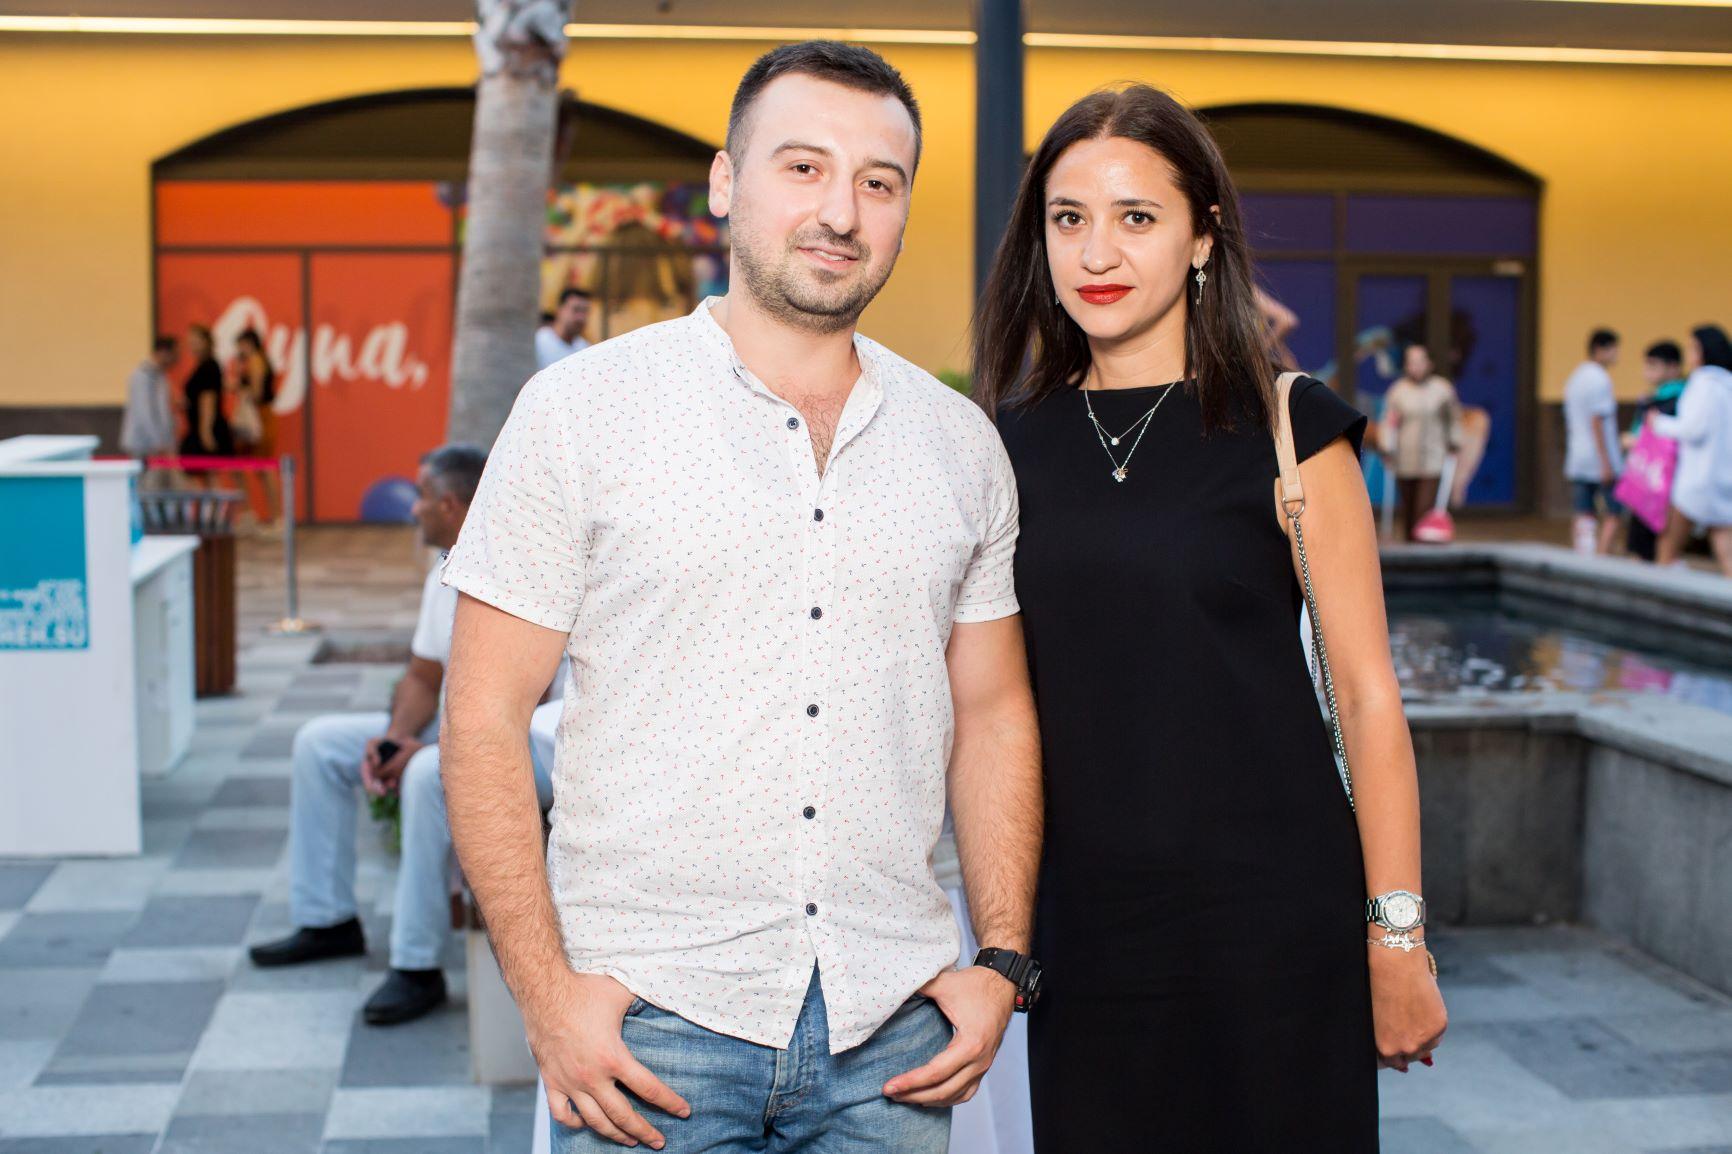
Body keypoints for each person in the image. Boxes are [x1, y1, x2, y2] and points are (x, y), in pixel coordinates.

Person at [438, 41, 1041, 1154]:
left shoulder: (960, 446)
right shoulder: (581, 411)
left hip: (890, 1030)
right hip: (650, 1028)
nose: (841, 212)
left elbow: (994, 711)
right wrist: (544, 995)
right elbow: (480, 716)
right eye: (802, 167)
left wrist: (1001, 957)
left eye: (878, 182)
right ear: (725, 182)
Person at [973, 84, 1447, 1152]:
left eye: (1136, 216)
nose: (1097, 251)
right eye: (1068, 218)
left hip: (1275, 926)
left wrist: (1396, 935)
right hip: (1088, 934)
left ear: (1201, 237)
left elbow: (1368, 695)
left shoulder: (1288, 424)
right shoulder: (1003, 444)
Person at [247, 444, 561, 1027]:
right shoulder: (446, 568)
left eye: (421, 496)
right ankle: (327, 921)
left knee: (424, 775)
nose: (412, 508)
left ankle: (417, 967)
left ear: (451, 504)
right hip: (456, 729)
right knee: (319, 743)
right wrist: (393, 736)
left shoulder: (521, 568)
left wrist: (430, 750)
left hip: (528, 741)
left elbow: (523, 701)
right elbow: (422, 675)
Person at [1654, 324, 1732, 574]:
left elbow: (1694, 428)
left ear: (1702, 351)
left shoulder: (1703, 382)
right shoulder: (1727, 383)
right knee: (1726, 548)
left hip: (1696, 481)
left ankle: (1664, 592)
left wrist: (1659, 423)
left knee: (1667, 546)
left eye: (1691, 347)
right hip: (1724, 479)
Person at [1380, 344, 1463, 541]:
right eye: (1411, 363)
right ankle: (1411, 548)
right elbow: (1389, 421)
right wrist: (1387, 446)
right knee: (1408, 510)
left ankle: (1423, 547)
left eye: (1420, 362)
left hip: (1433, 457)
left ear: (1429, 364)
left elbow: (1453, 418)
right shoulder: (1398, 391)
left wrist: (1455, 441)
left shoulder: (1442, 389)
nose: (1415, 367)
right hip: (1405, 458)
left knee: (1423, 509)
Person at [1625, 340, 1689, 562]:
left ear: (1673, 367)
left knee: (1651, 545)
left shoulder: (1676, 398)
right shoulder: (1655, 397)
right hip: (1650, 479)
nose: (1647, 371)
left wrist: (1634, 441)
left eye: (1653, 365)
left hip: (1658, 482)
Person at [1563, 327, 1625, 555]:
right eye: (1614, 349)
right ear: (1600, 349)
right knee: (1614, 510)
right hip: (1599, 456)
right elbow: (1596, 421)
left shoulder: (1576, 376)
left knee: (1583, 510)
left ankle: (1583, 555)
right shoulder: (1599, 379)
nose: (1617, 355)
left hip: (1578, 454)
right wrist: (1605, 462)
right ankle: (1601, 556)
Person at [231, 327, 281, 524]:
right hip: (257, 417)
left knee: (265, 466)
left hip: (258, 418)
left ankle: (276, 517)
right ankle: (252, 514)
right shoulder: (255, 361)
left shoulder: (256, 360)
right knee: (244, 465)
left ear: (248, 343)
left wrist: (238, 386)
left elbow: (257, 394)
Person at [120, 336, 179, 485]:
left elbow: (163, 411)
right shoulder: (142, 375)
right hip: (143, 444)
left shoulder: (160, 376)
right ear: (163, 352)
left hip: (159, 445)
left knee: (159, 486)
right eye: (175, 354)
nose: (177, 359)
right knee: (143, 487)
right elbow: (144, 413)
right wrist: (157, 442)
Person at [535, 287, 593, 369]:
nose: (581, 318)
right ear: (560, 309)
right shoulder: (539, 341)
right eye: (576, 310)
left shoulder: (585, 349)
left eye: (585, 311)